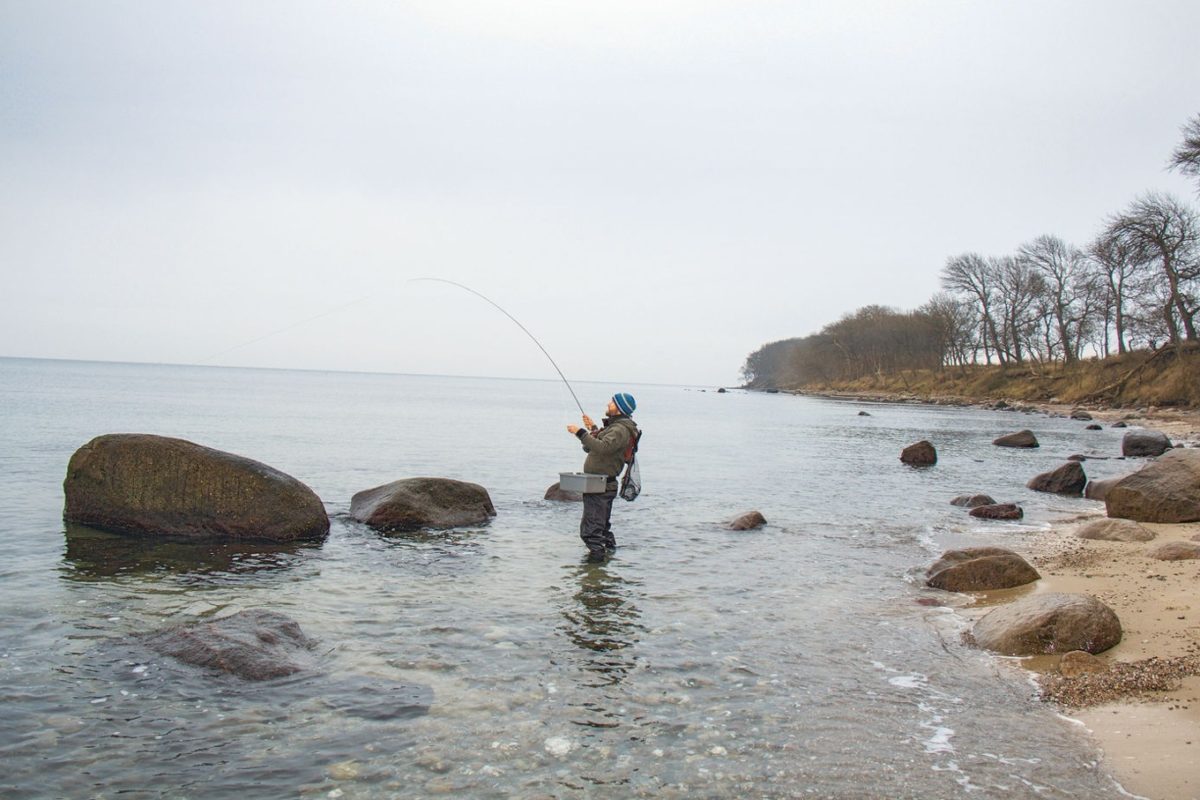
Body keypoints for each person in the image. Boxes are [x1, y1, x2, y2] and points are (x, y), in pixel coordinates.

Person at [566, 392, 638, 562]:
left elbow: (603, 448)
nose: (608, 404)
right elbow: (594, 447)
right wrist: (592, 430)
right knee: (602, 530)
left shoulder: (620, 429)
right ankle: (608, 568)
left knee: (591, 533)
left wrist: (580, 432)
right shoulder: (616, 427)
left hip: (601, 486)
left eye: (612, 402)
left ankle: (595, 576)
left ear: (620, 409)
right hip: (599, 484)